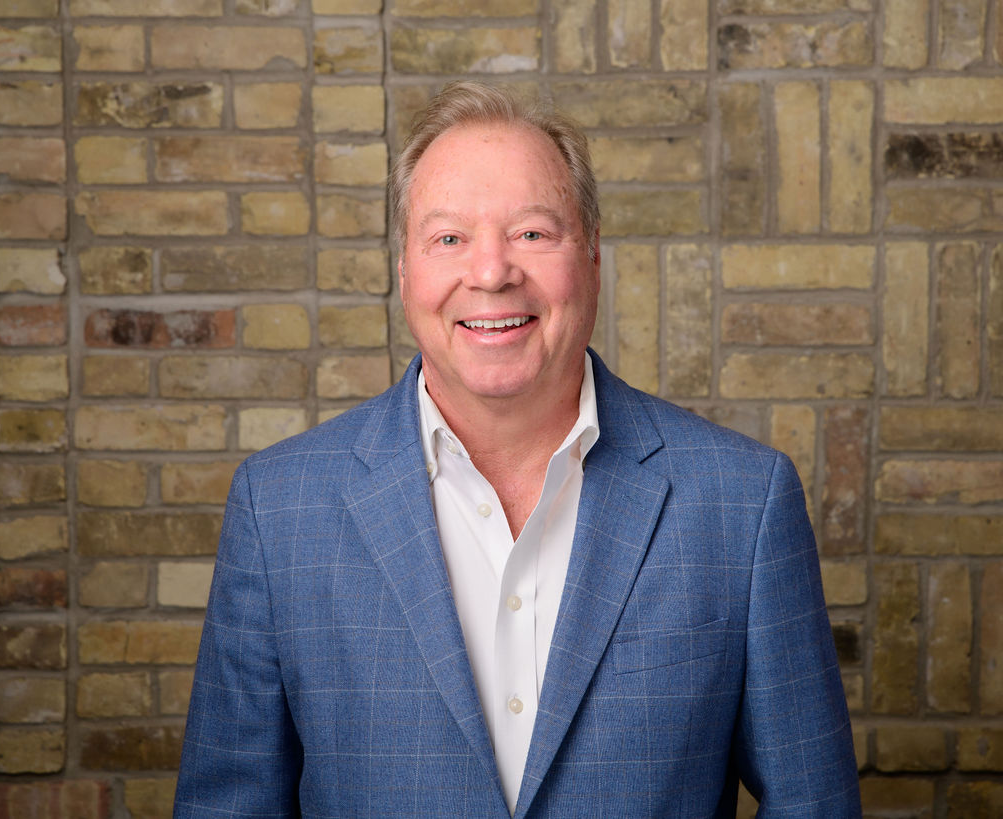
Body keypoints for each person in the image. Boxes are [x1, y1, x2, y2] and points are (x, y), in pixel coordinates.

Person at [174, 81, 861, 818]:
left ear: (593, 256)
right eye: (449, 238)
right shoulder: (279, 509)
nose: (492, 272)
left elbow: (813, 803)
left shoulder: (742, 502)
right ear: (403, 271)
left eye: (532, 233)